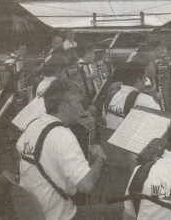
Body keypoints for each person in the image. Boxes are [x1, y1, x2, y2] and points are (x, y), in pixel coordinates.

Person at [16, 78, 109, 220]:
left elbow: (42, 159)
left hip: (33, 211)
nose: (82, 109)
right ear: (64, 106)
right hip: (59, 215)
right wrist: (100, 158)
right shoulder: (63, 135)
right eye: (78, 103)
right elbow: (86, 185)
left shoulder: (34, 125)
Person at [105, 62, 160, 130]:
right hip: (129, 139)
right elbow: (159, 124)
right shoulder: (146, 99)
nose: (145, 80)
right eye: (144, 77)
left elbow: (105, 118)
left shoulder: (112, 95)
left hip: (110, 137)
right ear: (138, 81)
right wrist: (154, 98)